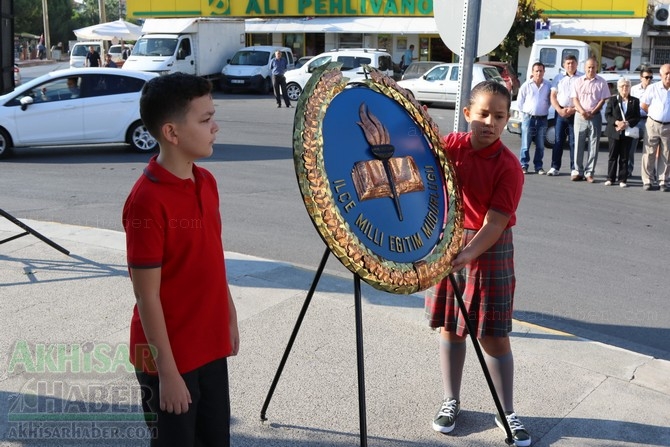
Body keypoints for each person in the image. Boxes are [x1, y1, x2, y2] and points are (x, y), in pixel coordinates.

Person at [122, 73, 239, 446]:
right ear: (172, 133)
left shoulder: (207, 182)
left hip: (208, 346)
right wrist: (167, 373)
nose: (215, 127)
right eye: (205, 120)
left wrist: (230, 317)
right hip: (167, 358)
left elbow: (211, 260)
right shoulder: (146, 201)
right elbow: (147, 296)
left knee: (216, 439)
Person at [425, 80, 529, 447]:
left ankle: (508, 412)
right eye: (483, 113)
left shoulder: (510, 167)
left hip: (490, 248)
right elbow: (420, 147)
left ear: (508, 119)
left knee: (493, 336)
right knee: (451, 330)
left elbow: (495, 222)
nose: (490, 122)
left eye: (499, 116)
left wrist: (468, 254)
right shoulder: (452, 146)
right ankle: (450, 400)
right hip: (451, 241)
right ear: (467, 113)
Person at [571, 57, 610, 182]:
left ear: (596, 68)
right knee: (578, 143)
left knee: (594, 144)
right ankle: (577, 171)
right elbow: (574, 99)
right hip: (579, 116)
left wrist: (592, 112)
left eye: (593, 67)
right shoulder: (578, 81)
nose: (591, 69)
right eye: (588, 67)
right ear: (584, 68)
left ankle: (589, 173)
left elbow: (602, 100)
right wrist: (582, 111)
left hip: (595, 116)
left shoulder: (602, 82)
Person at [548, 54, 582, 176]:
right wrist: (559, 110)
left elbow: (583, 97)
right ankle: (555, 167)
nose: (570, 65)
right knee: (558, 140)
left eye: (572, 63)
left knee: (574, 141)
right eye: (568, 63)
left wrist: (573, 109)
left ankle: (574, 168)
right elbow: (552, 96)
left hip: (576, 112)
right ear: (564, 65)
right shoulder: (558, 78)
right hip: (560, 112)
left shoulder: (582, 78)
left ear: (577, 64)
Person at [604, 77, 640, 188]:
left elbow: (636, 117)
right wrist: (617, 122)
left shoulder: (634, 101)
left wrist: (627, 123)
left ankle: (623, 179)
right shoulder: (613, 100)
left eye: (627, 86)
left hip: (627, 132)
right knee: (612, 156)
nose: (625, 88)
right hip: (614, 132)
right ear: (618, 88)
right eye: (622, 86)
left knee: (624, 157)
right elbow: (608, 115)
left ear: (630, 87)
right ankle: (610, 178)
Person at [516, 61, 551, 174]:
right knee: (526, 144)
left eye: (541, 71)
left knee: (540, 145)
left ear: (544, 72)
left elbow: (550, 101)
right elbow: (520, 102)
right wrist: (525, 114)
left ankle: (538, 167)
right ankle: (524, 165)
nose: (539, 73)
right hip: (528, 118)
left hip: (542, 119)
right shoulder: (526, 85)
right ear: (532, 72)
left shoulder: (548, 86)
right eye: (536, 71)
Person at [640, 63, 670, 192]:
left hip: (668, 126)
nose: (669, 76)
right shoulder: (653, 88)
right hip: (653, 124)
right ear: (661, 75)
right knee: (649, 153)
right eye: (666, 73)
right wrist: (655, 116)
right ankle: (648, 180)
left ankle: (663, 180)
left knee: (666, 154)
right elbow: (644, 105)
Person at [629, 68, 653, 177]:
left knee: (650, 149)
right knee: (631, 148)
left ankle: (651, 174)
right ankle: (628, 171)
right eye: (646, 77)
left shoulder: (655, 89)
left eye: (650, 77)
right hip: (636, 121)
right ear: (641, 78)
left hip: (650, 120)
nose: (649, 79)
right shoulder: (634, 89)